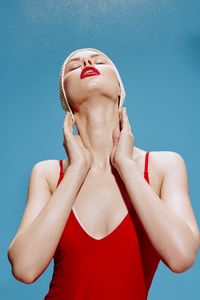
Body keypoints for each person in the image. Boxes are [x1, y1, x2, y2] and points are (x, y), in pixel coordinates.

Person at [7, 48, 200, 299]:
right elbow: (24, 268)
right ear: (66, 100)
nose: (87, 62)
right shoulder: (48, 174)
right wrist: (77, 169)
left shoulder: (164, 166)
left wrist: (126, 165)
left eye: (99, 61)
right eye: (74, 66)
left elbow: (182, 256)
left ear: (120, 90)